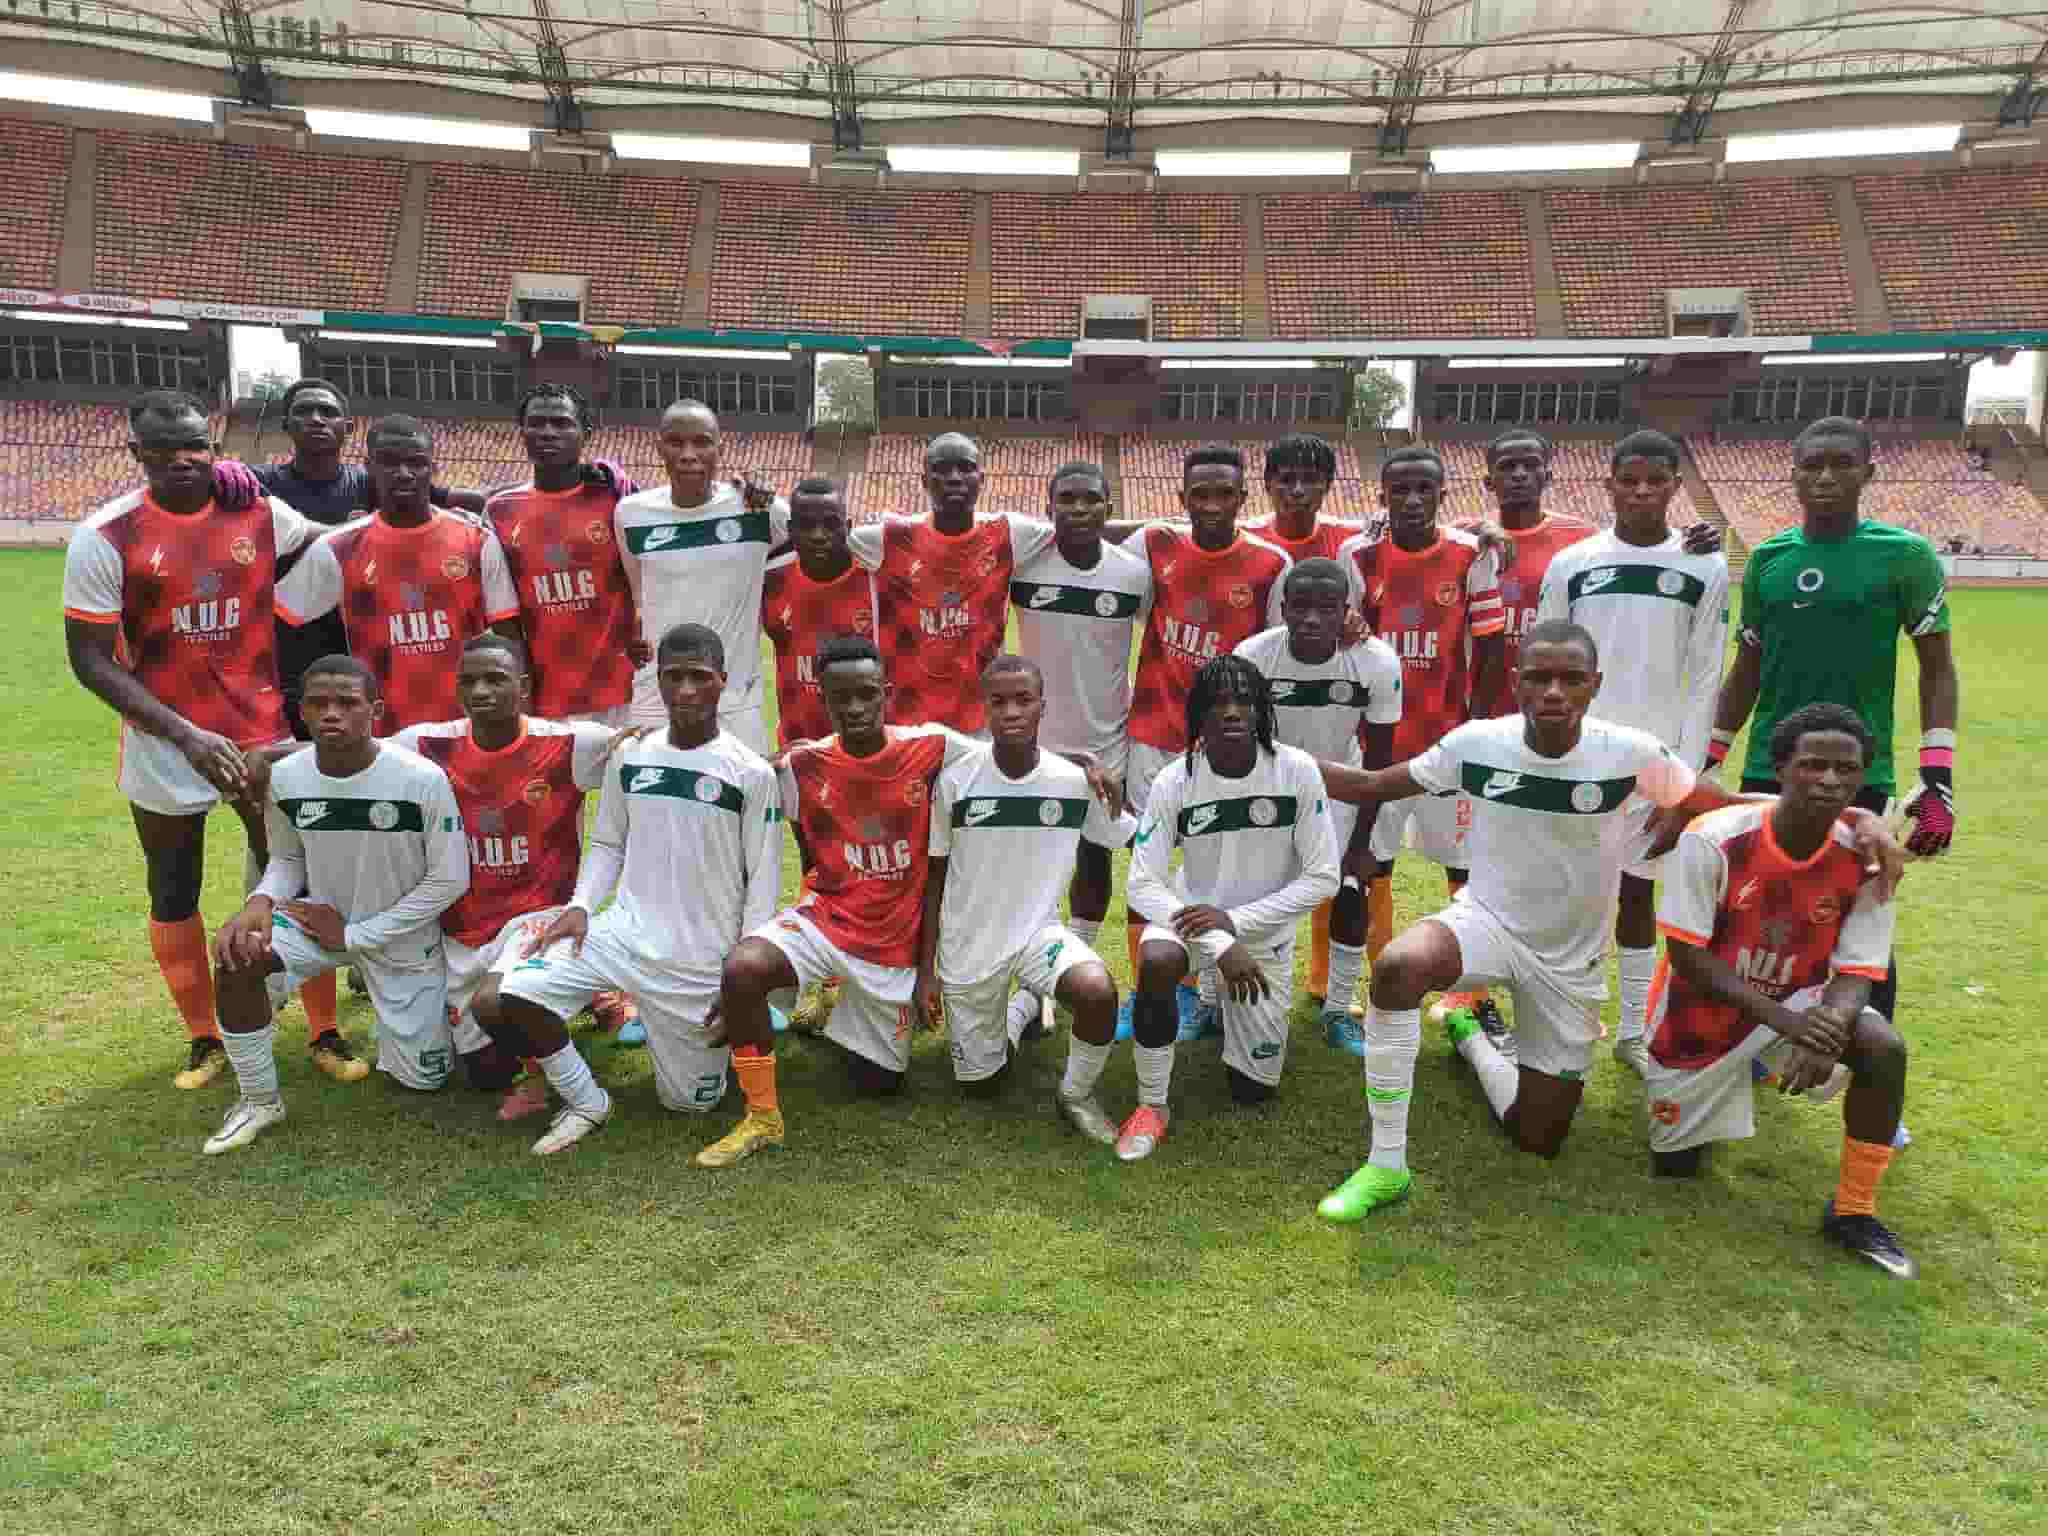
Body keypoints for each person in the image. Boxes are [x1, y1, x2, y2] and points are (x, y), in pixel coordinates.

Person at [1309, 621, 1905, 1221]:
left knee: (1537, 1138)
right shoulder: (1475, 743)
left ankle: (1473, 1041)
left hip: (1571, 962)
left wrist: (1853, 815)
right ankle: (1386, 1165)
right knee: (1397, 968)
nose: (1553, 692)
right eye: (1539, 677)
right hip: (1485, 922)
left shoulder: (1628, 752)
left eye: (1571, 679)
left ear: (1595, 685)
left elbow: (1718, 802)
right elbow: (1368, 785)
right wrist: (1277, 754)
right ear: (1516, 682)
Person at [60, 388, 365, 1089]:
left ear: (214, 442)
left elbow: (331, 543)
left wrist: (438, 512)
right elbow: (90, 661)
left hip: (260, 737)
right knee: (173, 887)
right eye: (162, 453)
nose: (182, 461)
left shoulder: (254, 508)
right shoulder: (105, 535)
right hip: (164, 744)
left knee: (291, 875)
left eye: (194, 446)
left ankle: (323, 1028)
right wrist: (187, 736)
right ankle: (205, 1039)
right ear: (135, 453)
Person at [479, 624, 782, 1160]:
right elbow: (608, 842)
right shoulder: (632, 756)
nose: (686, 690)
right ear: (656, 681)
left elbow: (763, 877)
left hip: (698, 963)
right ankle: (585, 1101)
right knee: (516, 994)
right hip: (622, 934)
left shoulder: (750, 771)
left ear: (723, 683)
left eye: (699, 677)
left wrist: (742, 977)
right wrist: (579, 906)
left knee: (690, 1104)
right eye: (673, 677)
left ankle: (716, 1039)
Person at [1645, 702, 1916, 1278]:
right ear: (1782, 767)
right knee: (1675, 1167)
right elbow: (1687, 957)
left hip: (1798, 1002)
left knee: (1883, 1047)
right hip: (1699, 1016)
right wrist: (1790, 1026)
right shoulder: (1714, 839)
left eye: (1846, 770)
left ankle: (1853, 1210)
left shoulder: (1869, 860)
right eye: (1813, 765)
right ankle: (1730, 1080)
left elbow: (1857, 970)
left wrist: (1828, 1030)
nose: (1829, 780)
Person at [1711, 415, 1959, 1027]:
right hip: (1769, 765)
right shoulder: (1769, 560)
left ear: (1867, 473)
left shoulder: (1905, 556)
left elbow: (1938, 669)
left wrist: (1938, 774)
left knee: (1859, 908)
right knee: (1752, 909)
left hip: (1856, 773)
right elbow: (1747, 667)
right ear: (1793, 475)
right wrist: (1709, 759)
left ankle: (1870, 1060)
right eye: (1812, 465)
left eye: (1840, 464)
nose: (1825, 476)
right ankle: (1745, 1045)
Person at [204, 656, 469, 1153]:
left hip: (400, 936)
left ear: (375, 710)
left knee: (425, 1080)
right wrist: (261, 900)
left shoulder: (421, 779)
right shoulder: (287, 778)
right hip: (316, 923)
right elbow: (286, 857)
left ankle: (433, 1027)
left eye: (347, 703)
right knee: (237, 954)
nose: (332, 714)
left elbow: (449, 879)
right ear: (301, 712)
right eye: (318, 704)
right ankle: (259, 1100)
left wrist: (353, 936)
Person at [715, 636, 983, 1116]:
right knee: (743, 969)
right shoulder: (801, 766)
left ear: (887, 691)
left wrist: (1085, 766)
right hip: (828, 921)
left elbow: (1006, 756)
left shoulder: (934, 747)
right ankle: (760, 1109)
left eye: (867, 693)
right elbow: (795, 843)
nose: (855, 707)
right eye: (841, 697)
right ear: (822, 698)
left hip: (894, 944)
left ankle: (842, 1007)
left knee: (877, 1083)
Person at [1535, 429, 1729, 1077]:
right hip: (1580, 759)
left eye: (1657, 479)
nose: (1643, 490)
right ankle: (1567, 1016)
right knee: (1572, 895)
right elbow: (1544, 662)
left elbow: (1706, 677)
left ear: (1677, 484)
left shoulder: (1705, 565)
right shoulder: (1573, 563)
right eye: (1630, 479)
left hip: (1657, 766)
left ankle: (1632, 1032)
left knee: (1640, 899)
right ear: (1609, 484)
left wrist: (1688, 777)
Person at [393, 635, 635, 1120]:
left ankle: (551, 1074)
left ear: (522, 687)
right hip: (463, 929)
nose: (481, 690)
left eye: (495, 679)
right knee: (483, 1073)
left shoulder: (569, 744)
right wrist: (261, 756)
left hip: (540, 917)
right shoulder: (425, 745)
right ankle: (569, 1007)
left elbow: (637, 745)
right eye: (469, 681)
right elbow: (354, 751)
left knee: (496, 1004)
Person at [1117, 655, 1340, 1161]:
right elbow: (1142, 885)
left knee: (1253, 1092)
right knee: (1156, 963)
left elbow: (1324, 875)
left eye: (1244, 700)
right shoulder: (1176, 781)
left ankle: (1221, 1003)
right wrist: (1221, 939)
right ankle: (1152, 1104)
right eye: (1218, 703)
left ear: (1262, 709)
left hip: (1262, 937)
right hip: (1195, 925)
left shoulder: (1296, 771)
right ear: (1198, 714)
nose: (1232, 711)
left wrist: (1238, 923)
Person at [1120, 445, 1292, 1033]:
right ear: (1183, 497)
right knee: (1148, 865)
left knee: (1218, 867)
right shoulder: (1153, 546)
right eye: (1201, 494)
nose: (1213, 505)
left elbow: (1278, 650)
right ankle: (1149, 987)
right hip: (1154, 733)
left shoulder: (1269, 564)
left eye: (1225, 494)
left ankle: (1210, 987)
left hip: (1228, 748)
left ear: (1245, 498)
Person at [916, 656, 1127, 1123]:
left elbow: (1126, 836)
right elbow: (934, 877)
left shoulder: (1073, 782)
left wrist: (1108, 782)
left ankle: (1076, 1095)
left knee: (1097, 991)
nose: (1011, 711)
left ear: (1042, 707)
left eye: (1023, 700)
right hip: (968, 946)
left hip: (1038, 935)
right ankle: (1023, 1011)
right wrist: (926, 968)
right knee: (982, 1087)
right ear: (984, 710)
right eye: (999, 702)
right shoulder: (957, 783)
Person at [1340, 446, 1504, 968]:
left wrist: (1473, 727)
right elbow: (1349, 641)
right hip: (1378, 746)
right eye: (1400, 490)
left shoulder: (1471, 554)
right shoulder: (1358, 555)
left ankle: (1472, 986)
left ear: (1443, 495)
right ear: (1382, 496)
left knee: (1463, 866)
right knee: (1370, 861)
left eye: (1423, 489)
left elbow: (1492, 646)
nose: (1411, 500)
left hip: (1446, 739)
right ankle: (1379, 971)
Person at [252, 379, 486, 737]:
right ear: (285, 423)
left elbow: (448, 498)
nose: (316, 420)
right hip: (300, 636)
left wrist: (487, 513)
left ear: (347, 426)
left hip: (362, 630)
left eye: (327, 412)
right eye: (304, 411)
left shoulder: (372, 481)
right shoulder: (259, 484)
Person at [1233, 558, 1402, 1053]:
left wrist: (1363, 841)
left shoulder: (1376, 661)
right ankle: (1218, 997)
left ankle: (1337, 1010)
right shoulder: (1254, 657)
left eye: (1325, 608)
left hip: (1344, 790)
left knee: (1351, 892)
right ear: (1282, 609)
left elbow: (1380, 756)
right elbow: (1239, 738)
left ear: (1344, 612)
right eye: (1299, 607)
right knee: (1249, 892)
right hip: (1268, 786)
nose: (1310, 619)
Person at [1008, 460, 1151, 1031]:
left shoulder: (1133, 575)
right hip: (1032, 744)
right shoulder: (1023, 567)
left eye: (1090, 499)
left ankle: (1079, 955)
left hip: (1107, 745)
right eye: (1065, 499)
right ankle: (1033, 985)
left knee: (1095, 860)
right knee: (1030, 864)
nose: (1078, 509)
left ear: (1109, 509)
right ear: (1049, 508)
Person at [760, 478, 880, 1035]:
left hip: (867, 756)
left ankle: (868, 983)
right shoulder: (772, 583)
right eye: (803, 523)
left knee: (873, 871)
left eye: (829, 522)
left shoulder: (876, 580)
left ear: (848, 527)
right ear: (788, 529)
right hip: (801, 758)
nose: (816, 534)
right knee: (819, 868)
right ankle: (826, 978)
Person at [847, 431, 1058, 735]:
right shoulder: (889, 538)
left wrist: (1151, 529)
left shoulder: (1006, 533)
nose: (954, 477)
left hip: (980, 724)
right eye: (942, 469)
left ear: (981, 478)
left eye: (965, 468)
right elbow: (808, 534)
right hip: (906, 722)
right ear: (923, 480)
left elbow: (1081, 528)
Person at [614, 400, 789, 750]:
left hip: (736, 698)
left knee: (741, 796)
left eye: (702, 442)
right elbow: (640, 597)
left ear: (719, 448)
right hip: (657, 693)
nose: (689, 454)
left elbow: (818, 539)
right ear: (659, 447)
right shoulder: (631, 515)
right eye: (676, 442)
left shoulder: (756, 510)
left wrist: (769, 498)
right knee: (654, 800)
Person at [482, 383, 643, 727]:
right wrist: (521, 694)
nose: (547, 432)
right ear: (521, 432)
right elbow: (505, 621)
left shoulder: (616, 499)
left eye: (561, 423)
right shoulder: (499, 512)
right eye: (536, 423)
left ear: (585, 433)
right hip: (550, 697)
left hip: (626, 693)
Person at [1246, 432, 1365, 563]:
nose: (1298, 490)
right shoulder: (1244, 538)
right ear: (1268, 485)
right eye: (1286, 480)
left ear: (1328, 485)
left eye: (1310, 480)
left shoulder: (1355, 540)